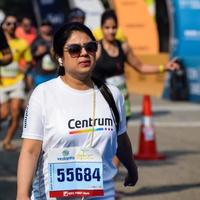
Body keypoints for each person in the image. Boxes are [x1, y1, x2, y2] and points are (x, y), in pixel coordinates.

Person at [17, 22, 138, 200]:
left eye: (90, 47)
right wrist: (22, 194)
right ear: (59, 57)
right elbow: (30, 151)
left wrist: (132, 168)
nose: (84, 53)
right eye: (74, 49)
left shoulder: (112, 94)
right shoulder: (43, 94)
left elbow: (121, 138)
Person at [92, 9, 179, 167]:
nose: (111, 31)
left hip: (122, 101)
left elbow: (140, 66)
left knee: (118, 143)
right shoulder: (96, 49)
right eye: (107, 27)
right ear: (102, 28)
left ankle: (111, 185)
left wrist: (164, 67)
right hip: (101, 102)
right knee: (101, 143)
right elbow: (85, 71)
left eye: (113, 27)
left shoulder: (123, 48)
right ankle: (98, 184)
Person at [0, 14, 32, 151]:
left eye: (14, 24)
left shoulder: (22, 43)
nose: (11, 26)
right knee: (4, 114)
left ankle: (7, 141)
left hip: (17, 81)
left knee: (15, 112)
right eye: (8, 23)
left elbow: (29, 61)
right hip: (2, 83)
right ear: (3, 26)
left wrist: (25, 68)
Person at [29, 20, 57, 88]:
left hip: (54, 74)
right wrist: (38, 53)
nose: (46, 28)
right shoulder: (36, 41)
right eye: (44, 26)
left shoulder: (55, 40)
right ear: (40, 28)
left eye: (48, 26)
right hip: (40, 74)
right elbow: (30, 56)